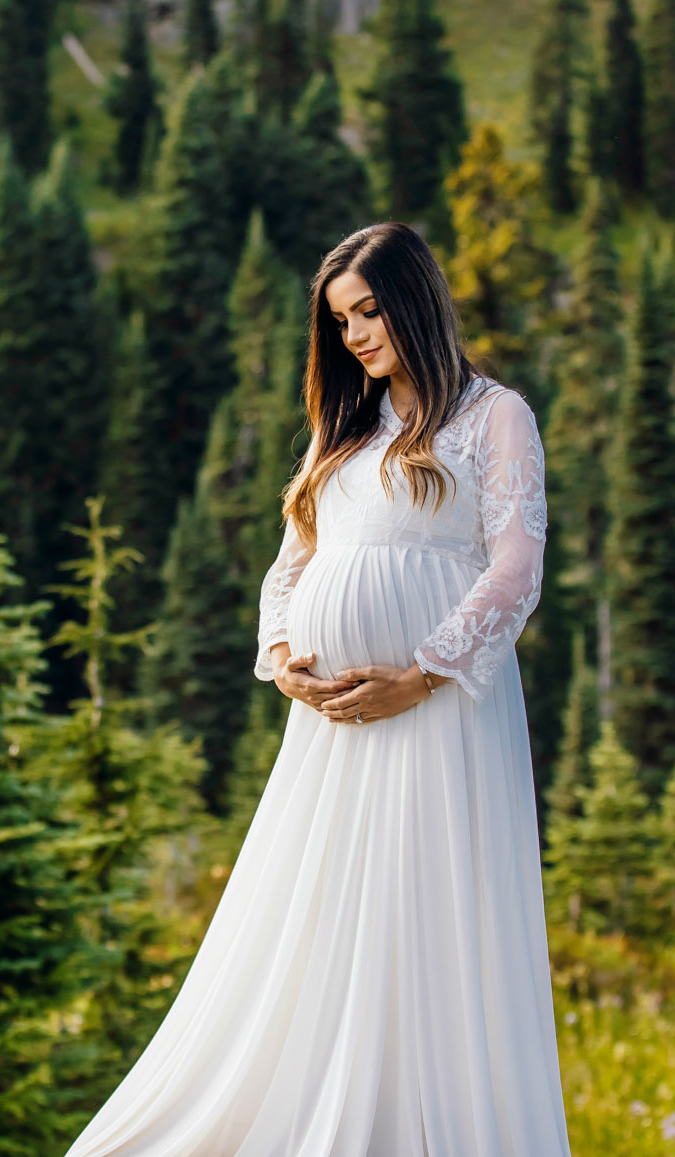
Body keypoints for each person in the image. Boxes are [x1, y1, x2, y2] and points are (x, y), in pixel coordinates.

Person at [64, 222, 572, 1156]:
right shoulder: (347, 429)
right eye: (341, 321)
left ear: (415, 299)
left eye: (369, 311)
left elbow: (516, 570)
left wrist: (420, 675)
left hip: (441, 712)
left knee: (428, 916)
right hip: (335, 725)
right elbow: (293, 562)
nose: (355, 336)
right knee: (316, 916)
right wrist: (286, 649)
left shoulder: (495, 416)